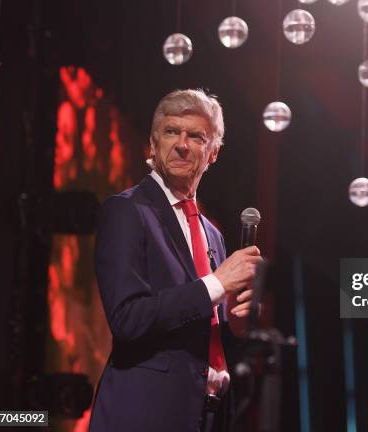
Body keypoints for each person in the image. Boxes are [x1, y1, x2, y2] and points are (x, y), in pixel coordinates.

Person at [89, 89, 262, 432]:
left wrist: (237, 330)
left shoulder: (213, 235)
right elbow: (128, 319)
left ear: (213, 153)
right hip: (145, 415)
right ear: (153, 145)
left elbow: (203, 339)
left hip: (209, 415)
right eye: (171, 132)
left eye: (196, 136)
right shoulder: (127, 211)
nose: (182, 144)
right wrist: (215, 284)